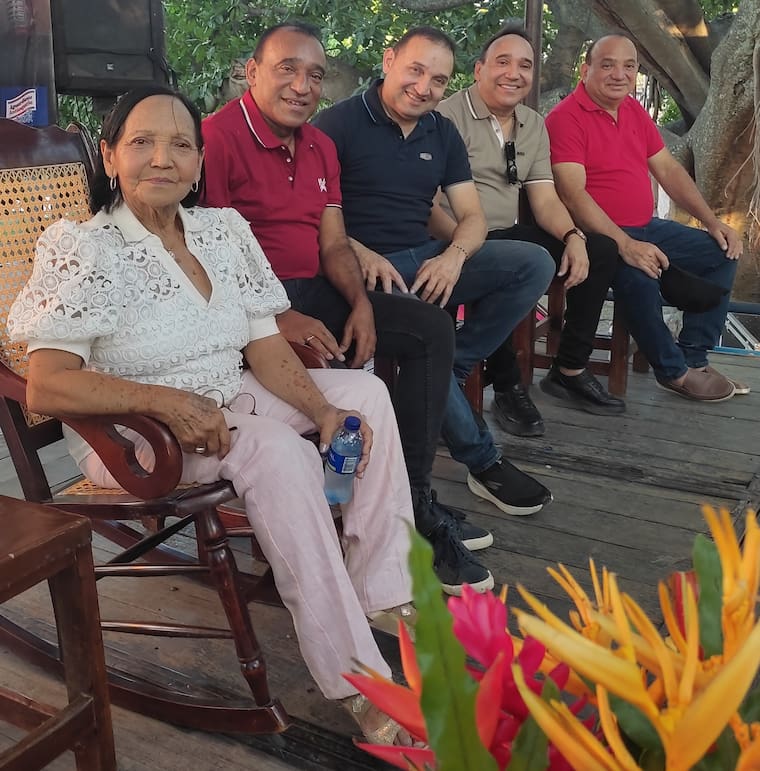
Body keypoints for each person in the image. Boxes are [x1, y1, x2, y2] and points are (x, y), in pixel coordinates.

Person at [7, 85, 418, 746]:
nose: (162, 158)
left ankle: (380, 587)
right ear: (110, 156)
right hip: (132, 437)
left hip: (228, 395)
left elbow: (265, 345)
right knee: (276, 452)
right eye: (142, 142)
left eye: (181, 144)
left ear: (200, 161)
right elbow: (47, 388)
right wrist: (163, 402)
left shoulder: (221, 231)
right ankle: (356, 678)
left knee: (362, 398)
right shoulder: (85, 248)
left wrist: (323, 409)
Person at [201, 21, 495, 595]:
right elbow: (206, 252)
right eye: (287, 69)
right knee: (349, 370)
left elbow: (334, 242)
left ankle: (414, 499)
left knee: (428, 327)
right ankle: (342, 509)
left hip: (317, 288)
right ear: (252, 72)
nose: (302, 86)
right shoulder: (217, 137)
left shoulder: (318, 145)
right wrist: (275, 317)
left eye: (314, 75)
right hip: (248, 304)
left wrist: (360, 302)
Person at [312, 27, 555, 513]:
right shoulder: (337, 124)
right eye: (416, 70)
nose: (424, 87)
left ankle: (456, 362)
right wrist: (358, 252)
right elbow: (310, 212)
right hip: (359, 270)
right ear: (389, 61)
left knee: (534, 261)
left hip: (423, 258)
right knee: (429, 333)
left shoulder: (440, 131)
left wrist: (453, 256)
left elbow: (472, 217)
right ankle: (483, 461)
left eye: (439, 80)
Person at [434, 25, 625, 437]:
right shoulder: (446, 117)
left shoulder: (533, 123)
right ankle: (507, 387)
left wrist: (573, 237)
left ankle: (569, 368)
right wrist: (464, 245)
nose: (513, 73)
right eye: (502, 62)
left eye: (524, 65)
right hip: (453, 236)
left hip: (509, 234)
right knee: (506, 266)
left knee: (601, 249)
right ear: (479, 69)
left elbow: (545, 199)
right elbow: (427, 204)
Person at [545, 34, 747, 402]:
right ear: (585, 70)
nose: (619, 74)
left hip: (646, 227)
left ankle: (693, 357)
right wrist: (626, 244)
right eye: (607, 65)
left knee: (722, 251)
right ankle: (673, 372)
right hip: (599, 238)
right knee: (639, 280)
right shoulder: (565, 118)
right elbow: (573, 195)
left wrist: (711, 221)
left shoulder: (632, 110)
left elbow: (668, 170)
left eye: (629, 66)